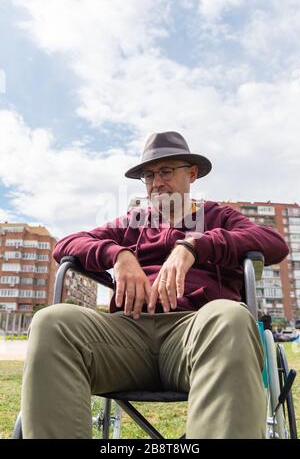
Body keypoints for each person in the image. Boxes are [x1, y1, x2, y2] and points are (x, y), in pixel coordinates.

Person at [21, 131, 289, 439]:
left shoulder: (218, 216)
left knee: (231, 317)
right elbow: (67, 245)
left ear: (191, 174)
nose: (156, 183)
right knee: (51, 322)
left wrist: (195, 246)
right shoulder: (132, 223)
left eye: (165, 171)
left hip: (196, 333)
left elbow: (274, 243)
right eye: (148, 176)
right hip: (126, 338)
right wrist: (118, 254)